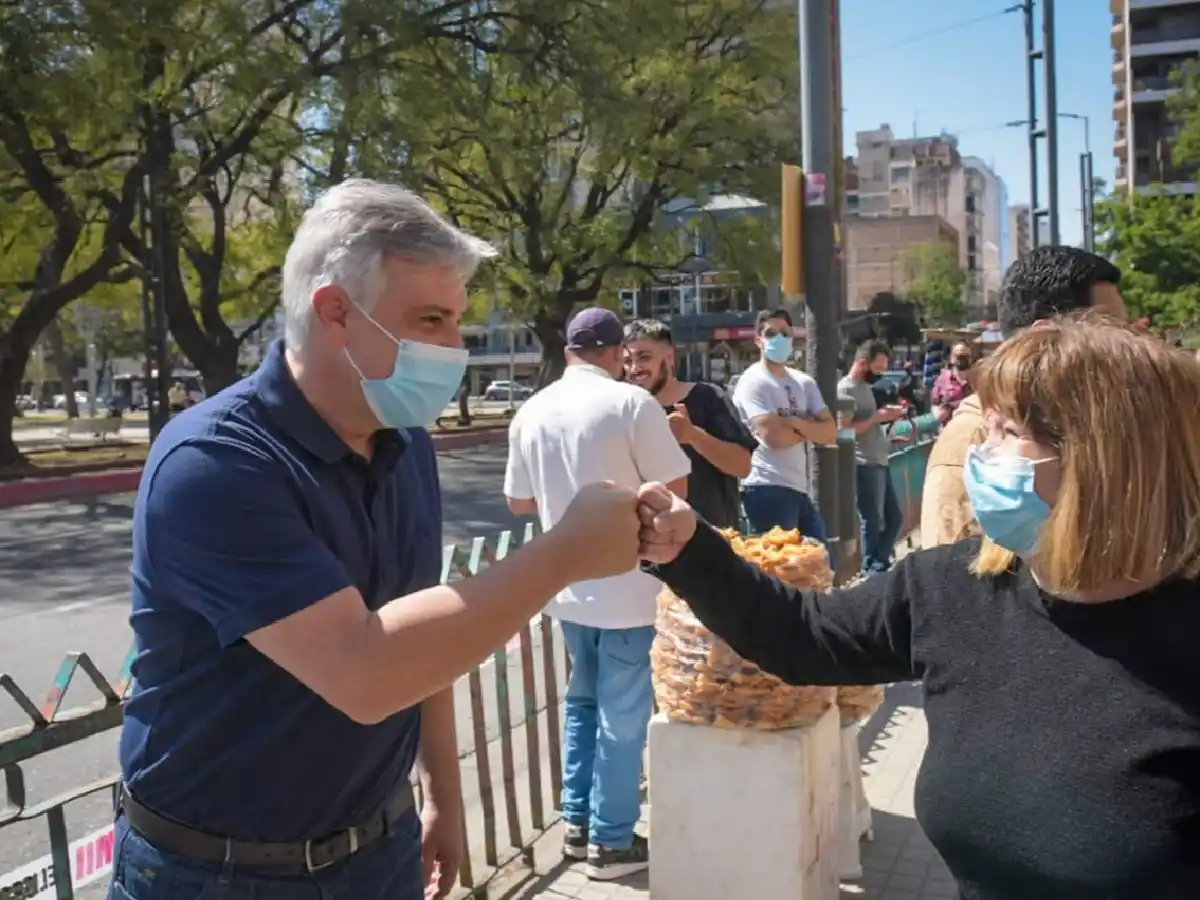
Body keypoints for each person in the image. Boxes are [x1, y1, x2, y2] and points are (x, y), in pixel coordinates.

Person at [112, 181, 646, 900]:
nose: (454, 348)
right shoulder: (216, 464)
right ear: (335, 312)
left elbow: (424, 625)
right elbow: (368, 670)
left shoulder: (401, 444)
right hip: (220, 872)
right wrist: (564, 552)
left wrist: (443, 800)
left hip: (379, 848)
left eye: (456, 320)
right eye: (431, 319)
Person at [637, 318, 1200, 900]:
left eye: (1007, 431)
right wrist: (689, 550)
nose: (979, 451)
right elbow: (804, 636)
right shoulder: (952, 587)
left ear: (1104, 461)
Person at [503, 307, 690, 881]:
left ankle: (577, 823)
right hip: (630, 586)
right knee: (623, 716)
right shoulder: (632, 405)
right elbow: (675, 494)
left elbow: (519, 503)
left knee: (581, 706)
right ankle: (611, 844)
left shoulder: (531, 410)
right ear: (615, 353)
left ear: (568, 353)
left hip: (566, 587)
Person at [920, 246, 1124, 548]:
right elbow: (949, 581)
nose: (1128, 347)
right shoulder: (969, 444)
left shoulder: (1099, 422)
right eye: (1110, 328)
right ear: (1044, 338)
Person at [623, 318, 756, 528]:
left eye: (644, 358)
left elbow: (742, 466)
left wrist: (693, 436)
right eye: (627, 361)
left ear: (669, 358)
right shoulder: (625, 410)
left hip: (710, 540)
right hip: (651, 544)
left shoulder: (708, 397)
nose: (634, 368)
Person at [731, 308, 836, 547]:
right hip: (765, 487)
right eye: (771, 333)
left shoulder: (804, 382)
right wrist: (810, 428)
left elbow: (830, 432)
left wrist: (795, 423)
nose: (779, 339)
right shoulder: (753, 382)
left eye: (785, 333)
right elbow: (773, 437)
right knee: (784, 567)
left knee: (821, 560)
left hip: (799, 488)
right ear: (758, 340)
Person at [837, 341, 906, 573]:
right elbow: (844, 430)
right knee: (872, 520)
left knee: (894, 517)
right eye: (877, 368)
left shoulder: (865, 388)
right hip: (864, 464)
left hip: (880, 459)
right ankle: (872, 568)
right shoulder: (845, 389)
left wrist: (887, 430)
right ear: (862, 363)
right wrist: (877, 418)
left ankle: (879, 562)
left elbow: (869, 423)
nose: (880, 374)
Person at [929, 341, 974, 425]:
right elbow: (934, 403)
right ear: (951, 358)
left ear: (971, 358)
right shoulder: (942, 379)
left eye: (965, 356)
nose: (962, 359)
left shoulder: (978, 380)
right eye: (958, 356)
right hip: (948, 430)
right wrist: (937, 414)